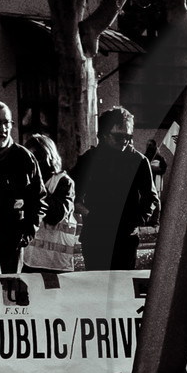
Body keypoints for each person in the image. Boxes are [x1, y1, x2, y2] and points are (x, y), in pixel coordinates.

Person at [73, 107, 159, 271]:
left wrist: (135, 221)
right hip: (96, 236)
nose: (125, 141)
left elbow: (151, 198)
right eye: (119, 136)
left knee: (122, 290)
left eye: (128, 136)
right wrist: (90, 214)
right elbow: (72, 194)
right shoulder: (89, 159)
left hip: (125, 238)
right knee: (97, 288)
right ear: (104, 134)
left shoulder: (138, 160)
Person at [0, 98, 46, 273]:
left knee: (5, 294)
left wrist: (26, 234)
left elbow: (38, 200)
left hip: (9, 245)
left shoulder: (23, 158)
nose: (2, 129)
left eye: (7, 123)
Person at [22, 133, 79, 273]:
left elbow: (56, 214)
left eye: (39, 158)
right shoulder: (25, 182)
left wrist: (37, 187)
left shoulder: (63, 182)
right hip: (29, 260)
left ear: (50, 157)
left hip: (56, 264)